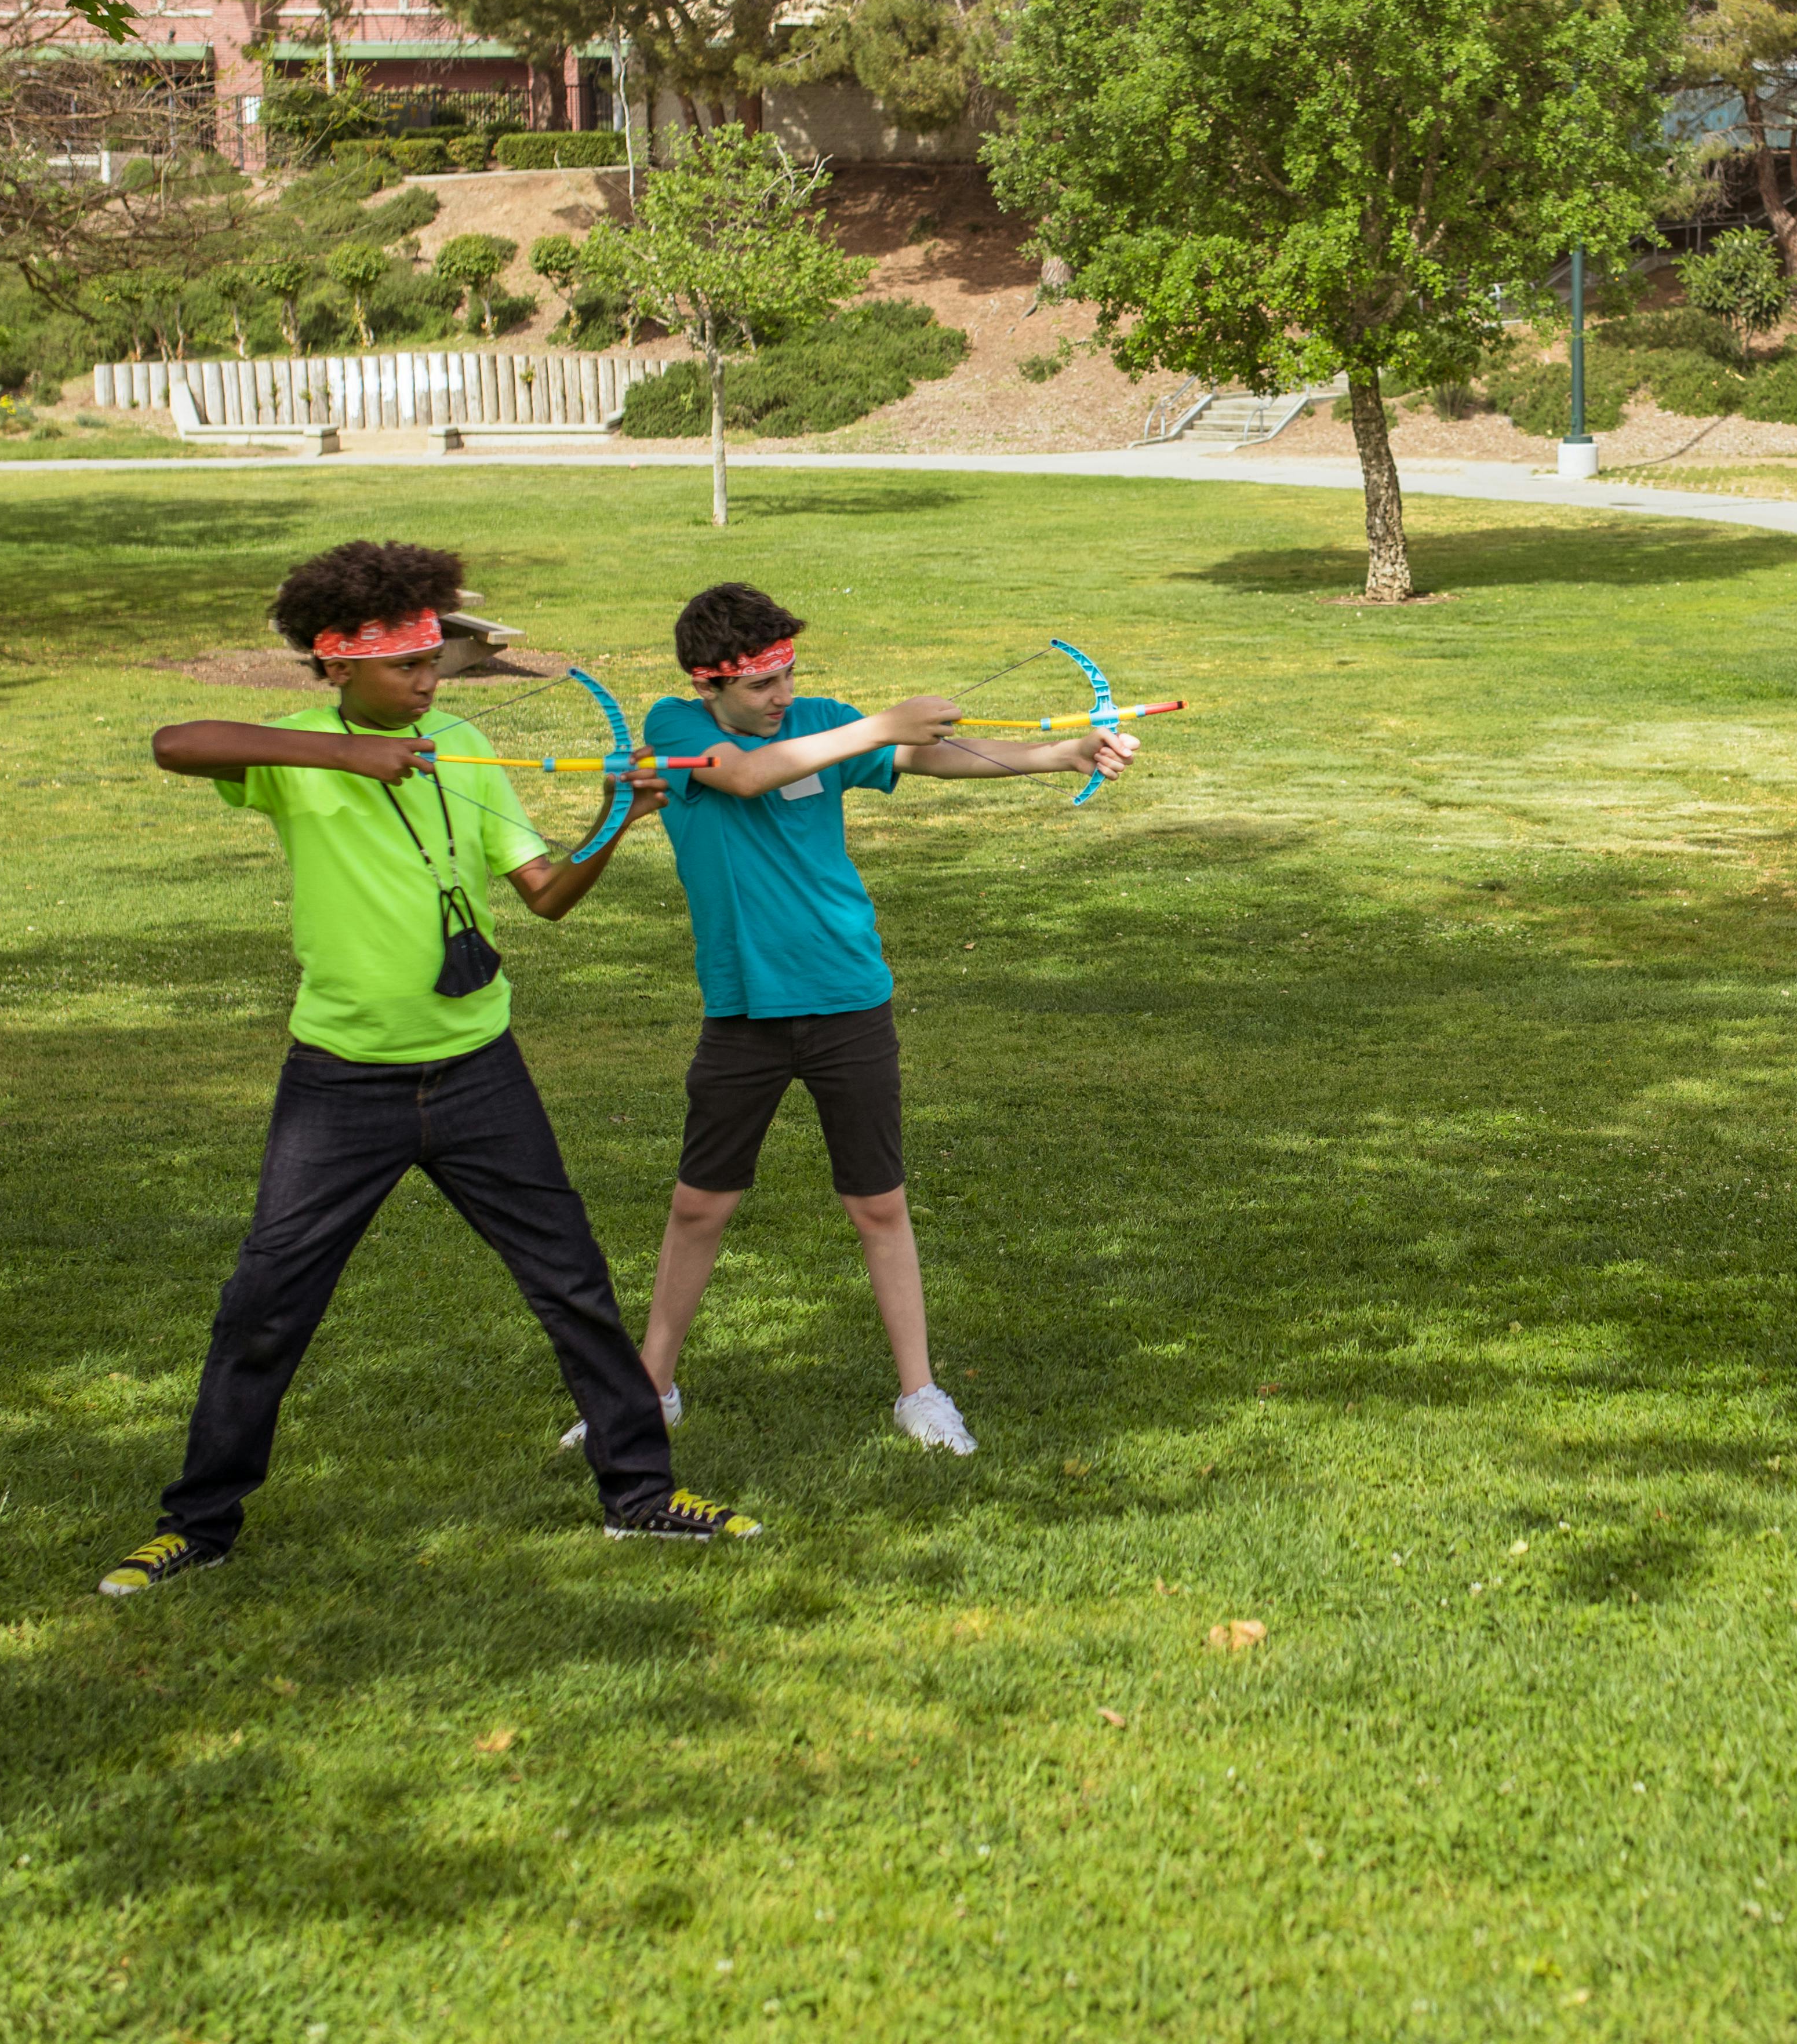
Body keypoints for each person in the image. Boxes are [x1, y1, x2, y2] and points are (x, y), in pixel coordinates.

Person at [100, 540, 758, 1598]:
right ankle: (201, 1524)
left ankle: (639, 1496)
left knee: (573, 1283)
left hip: (477, 1069)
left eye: (430, 665)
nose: (427, 683)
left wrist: (618, 820)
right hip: (340, 1081)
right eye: (406, 668)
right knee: (266, 1303)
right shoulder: (292, 749)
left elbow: (543, 895)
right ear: (338, 667)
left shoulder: (459, 742)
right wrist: (343, 759)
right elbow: (177, 743)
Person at [562, 581, 1137, 1461]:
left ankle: (920, 1391)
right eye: (761, 687)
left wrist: (1059, 755)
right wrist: (880, 724)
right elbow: (749, 779)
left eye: (789, 677)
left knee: (878, 1203)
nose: (783, 698)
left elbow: (927, 759)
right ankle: (652, 1389)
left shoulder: (823, 719)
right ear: (709, 684)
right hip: (744, 1009)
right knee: (698, 1206)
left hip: (847, 998)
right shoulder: (679, 731)